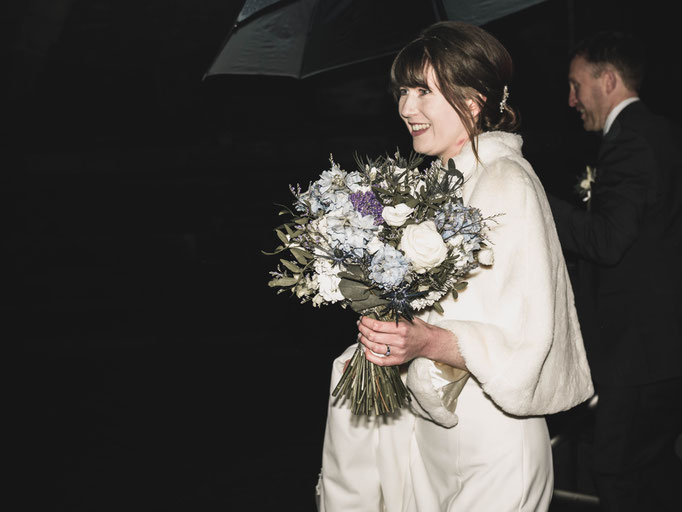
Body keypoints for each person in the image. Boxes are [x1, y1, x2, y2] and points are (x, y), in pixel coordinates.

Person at [316, 21, 594, 512]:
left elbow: (527, 336)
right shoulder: (438, 185)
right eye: (403, 91)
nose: (405, 107)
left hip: (493, 443)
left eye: (423, 90)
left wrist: (425, 340)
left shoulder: (506, 183)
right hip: (436, 438)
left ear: (473, 101)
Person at [547, 31, 682, 511]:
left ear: (607, 80)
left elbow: (606, 241)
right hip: (660, 351)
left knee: (618, 475)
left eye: (575, 85)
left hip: (639, 355)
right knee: (654, 471)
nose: (570, 100)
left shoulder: (632, 142)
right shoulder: (659, 132)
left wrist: (536, 203)